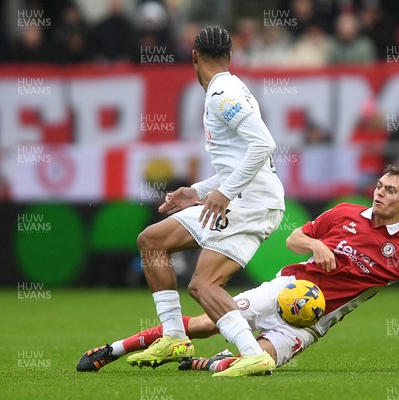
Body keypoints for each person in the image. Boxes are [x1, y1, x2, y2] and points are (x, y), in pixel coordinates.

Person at [77, 166, 399, 376]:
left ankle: (210, 363)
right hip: (286, 288)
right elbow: (294, 238)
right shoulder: (344, 212)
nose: (380, 193)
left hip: (312, 322)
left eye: (391, 190)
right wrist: (316, 245)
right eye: (379, 186)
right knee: (209, 324)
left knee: (258, 363)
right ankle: (115, 349)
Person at [115, 26, 285, 377]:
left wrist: (224, 193)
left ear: (194, 56)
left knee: (202, 284)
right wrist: (199, 191)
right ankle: (175, 336)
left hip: (251, 203)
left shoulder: (222, 93)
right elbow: (238, 159)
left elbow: (263, 146)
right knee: (152, 241)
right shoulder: (229, 88)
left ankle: (254, 354)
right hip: (239, 196)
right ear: (230, 56)